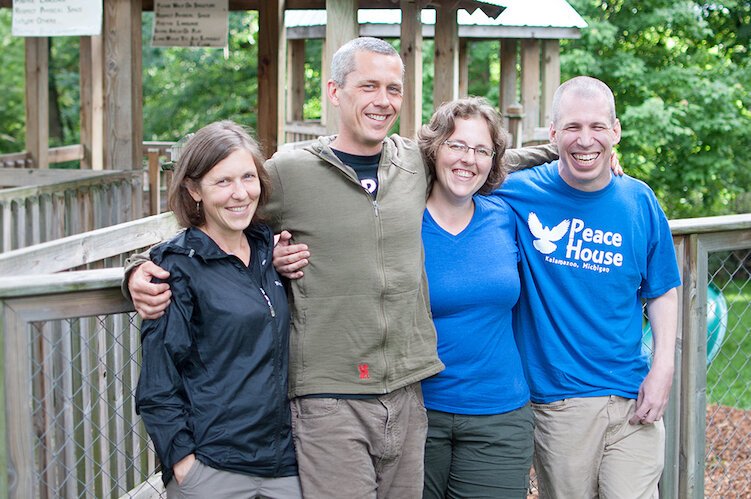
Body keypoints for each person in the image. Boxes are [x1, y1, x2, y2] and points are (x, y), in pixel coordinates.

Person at [125, 37, 557, 498]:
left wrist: (567, 156)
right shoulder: (291, 171)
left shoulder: (412, 162)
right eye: (368, 85)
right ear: (334, 91)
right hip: (329, 398)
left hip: (408, 393)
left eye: (394, 89)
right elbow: (219, 213)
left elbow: (481, 159)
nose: (383, 100)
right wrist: (135, 268)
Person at [500, 76, 680, 499]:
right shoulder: (518, 192)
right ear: (553, 132)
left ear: (616, 131)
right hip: (560, 403)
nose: (587, 140)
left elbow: (663, 290)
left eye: (598, 127)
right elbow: (460, 162)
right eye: (573, 128)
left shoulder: (640, 200)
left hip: (633, 396)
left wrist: (663, 369)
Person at [134, 121, 301, 498]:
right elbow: (158, 382)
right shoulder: (175, 267)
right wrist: (185, 466)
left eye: (247, 177)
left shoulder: (264, 249)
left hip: (284, 463)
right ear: (194, 190)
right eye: (222, 181)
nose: (239, 193)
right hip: (214, 468)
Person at [417, 97, 533, 498]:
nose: (468, 159)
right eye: (457, 145)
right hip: (418, 413)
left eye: (481, 150)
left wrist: (604, 161)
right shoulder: (400, 219)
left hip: (498, 415)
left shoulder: (506, 213)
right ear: (434, 149)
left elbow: (566, 182)